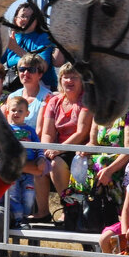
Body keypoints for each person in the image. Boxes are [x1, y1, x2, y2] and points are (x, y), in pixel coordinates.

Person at [37, 62, 93, 219]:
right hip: (58, 149)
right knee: (39, 165)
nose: (69, 81)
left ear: (82, 80)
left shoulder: (86, 101)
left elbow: (82, 132)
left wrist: (58, 150)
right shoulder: (55, 101)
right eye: (65, 77)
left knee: (55, 164)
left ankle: (68, 208)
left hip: (79, 150)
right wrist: (46, 151)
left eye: (74, 77)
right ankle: (42, 212)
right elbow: (47, 132)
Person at [0, 3, 60, 90]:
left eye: (30, 17)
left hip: (42, 89)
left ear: (37, 20)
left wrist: (16, 48)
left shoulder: (44, 37)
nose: (26, 19)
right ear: (15, 19)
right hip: (13, 88)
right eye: (23, 16)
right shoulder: (12, 38)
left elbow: (42, 66)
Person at [4, 95, 41, 223]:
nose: (16, 113)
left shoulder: (30, 131)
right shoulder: (5, 130)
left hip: (28, 170)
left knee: (29, 195)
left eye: (20, 111)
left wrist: (41, 158)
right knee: (13, 195)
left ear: (27, 113)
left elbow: (39, 147)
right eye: (13, 110)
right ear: (8, 111)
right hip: (12, 171)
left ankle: (25, 216)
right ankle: (18, 219)